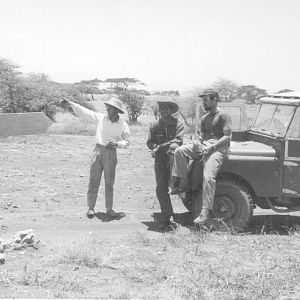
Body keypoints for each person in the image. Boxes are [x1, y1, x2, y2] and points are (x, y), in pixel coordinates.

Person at [61, 97, 131, 219]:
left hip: (111, 153)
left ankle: (109, 209)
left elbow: (127, 141)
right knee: (93, 180)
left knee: (109, 182)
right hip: (97, 151)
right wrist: (71, 103)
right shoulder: (101, 118)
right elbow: (86, 112)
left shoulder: (123, 124)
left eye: (109, 107)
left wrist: (117, 144)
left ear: (116, 110)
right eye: (107, 107)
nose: (107, 109)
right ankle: (91, 208)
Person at [171, 89, 232, 226]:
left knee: (208, 177)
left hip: (218, 149)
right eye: (203, 100)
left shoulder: (223, 116)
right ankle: (183, 185)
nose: (204, 102)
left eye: (206, 100)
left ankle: (205, 211)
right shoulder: (205, 118)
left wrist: (212, 147)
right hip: (204, 145)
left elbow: (228, 136)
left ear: (215, 99)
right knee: (179, 151)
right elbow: (202, 134)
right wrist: (198, 140)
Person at [146, 99, 185, 230]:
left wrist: (160, 147)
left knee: (178, 186)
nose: (164, 111)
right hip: (160, 160)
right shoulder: (154, 125)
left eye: (166, 109)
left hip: (174, 159)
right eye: (161, 109)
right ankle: (166, 216)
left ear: (171, 110)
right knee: (161, 188)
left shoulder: (178, 124)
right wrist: (154, 147)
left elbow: (178, 141)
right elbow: (149, 142)